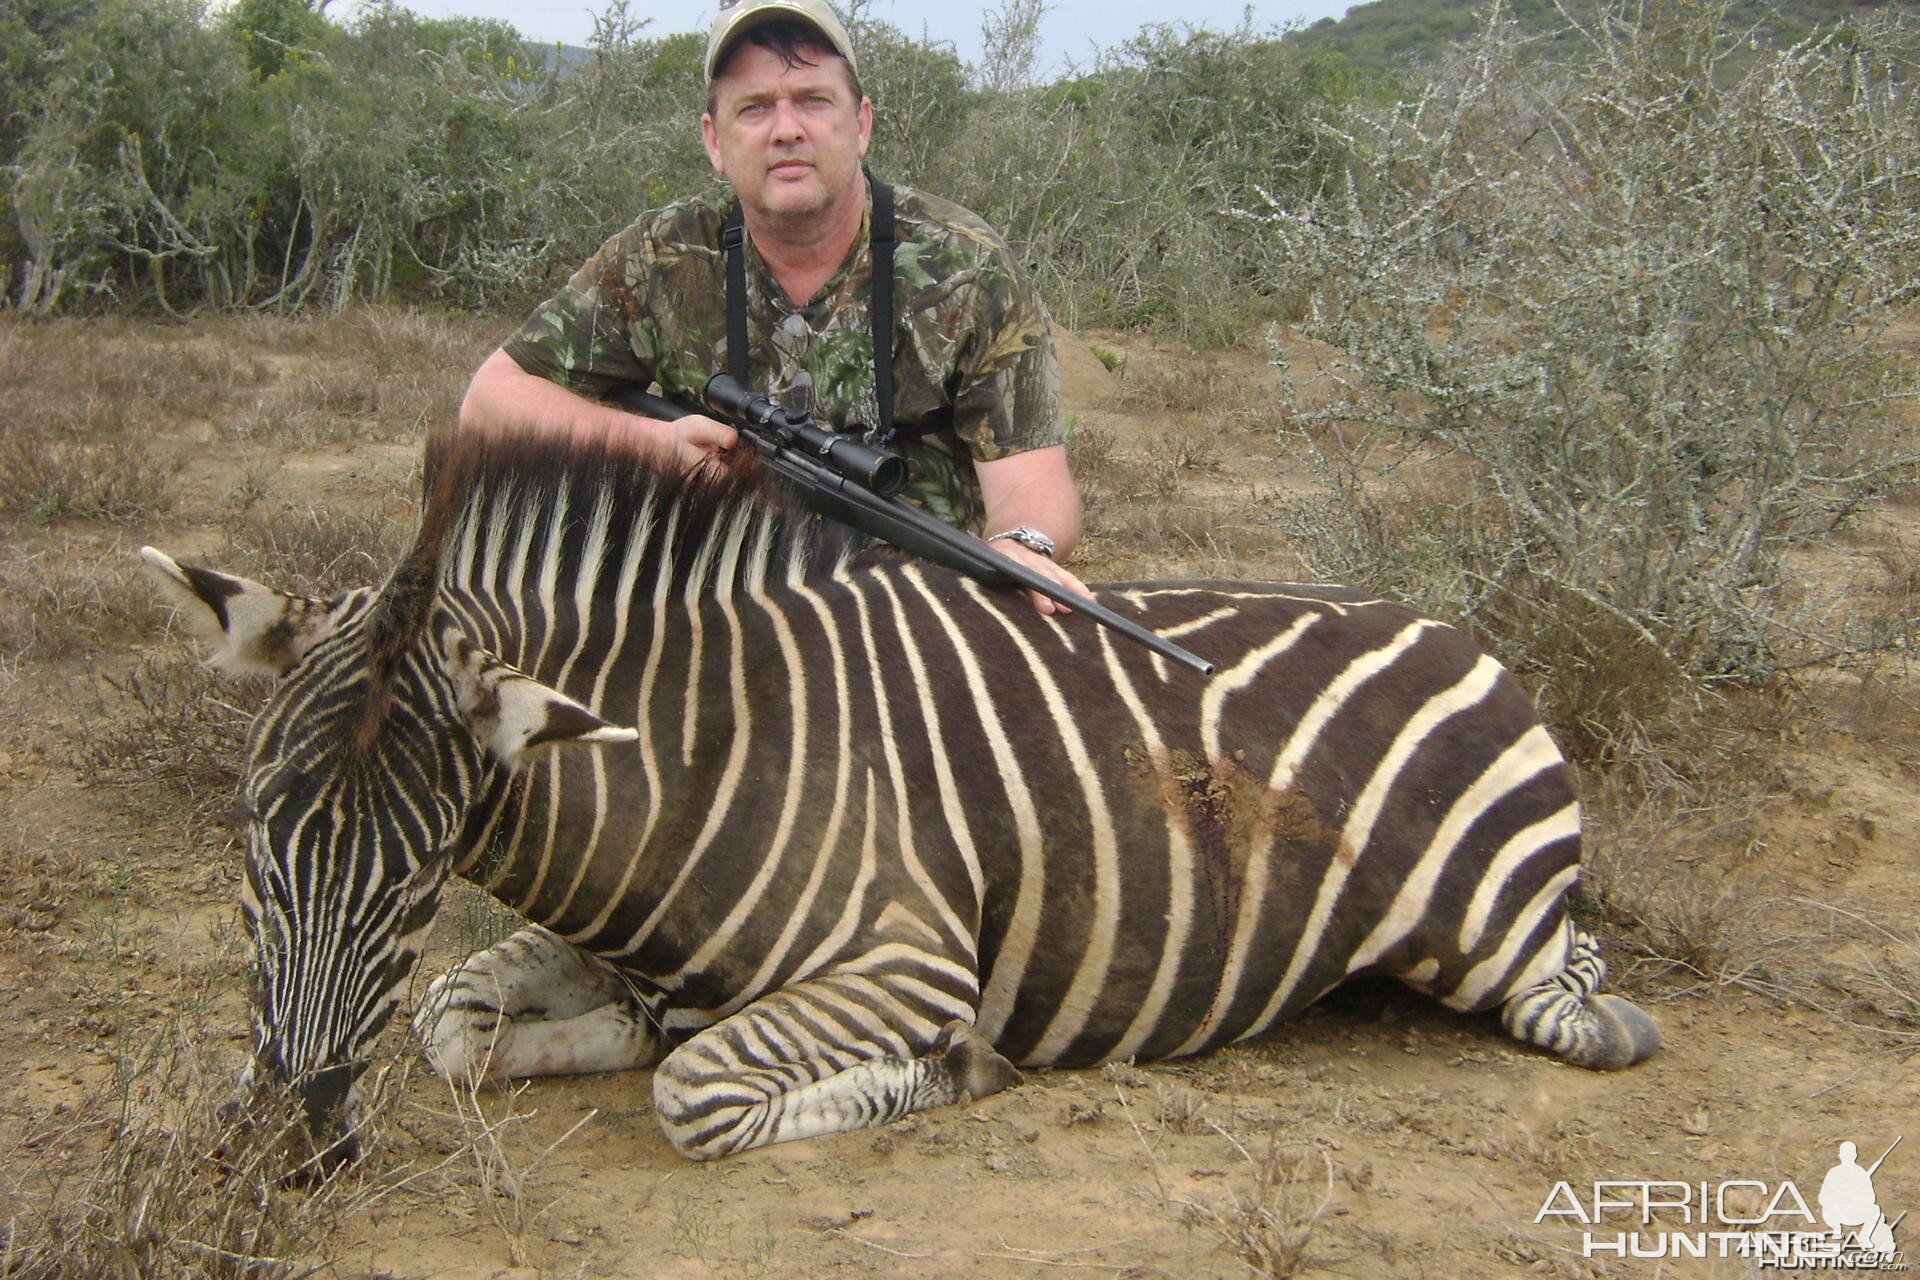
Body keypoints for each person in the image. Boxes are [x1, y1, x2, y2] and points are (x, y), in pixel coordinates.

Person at [458, 0, 1088, 614]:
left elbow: (1032, 480)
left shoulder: (966, 265)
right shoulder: (658, 256)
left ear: (861, 123)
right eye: (754, 108)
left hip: (907, 617)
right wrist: (651, 444)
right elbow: (492, 398)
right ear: (714, 140)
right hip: (711, 610)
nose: (786, 129)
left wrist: (1018, 548)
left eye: (814, 100)